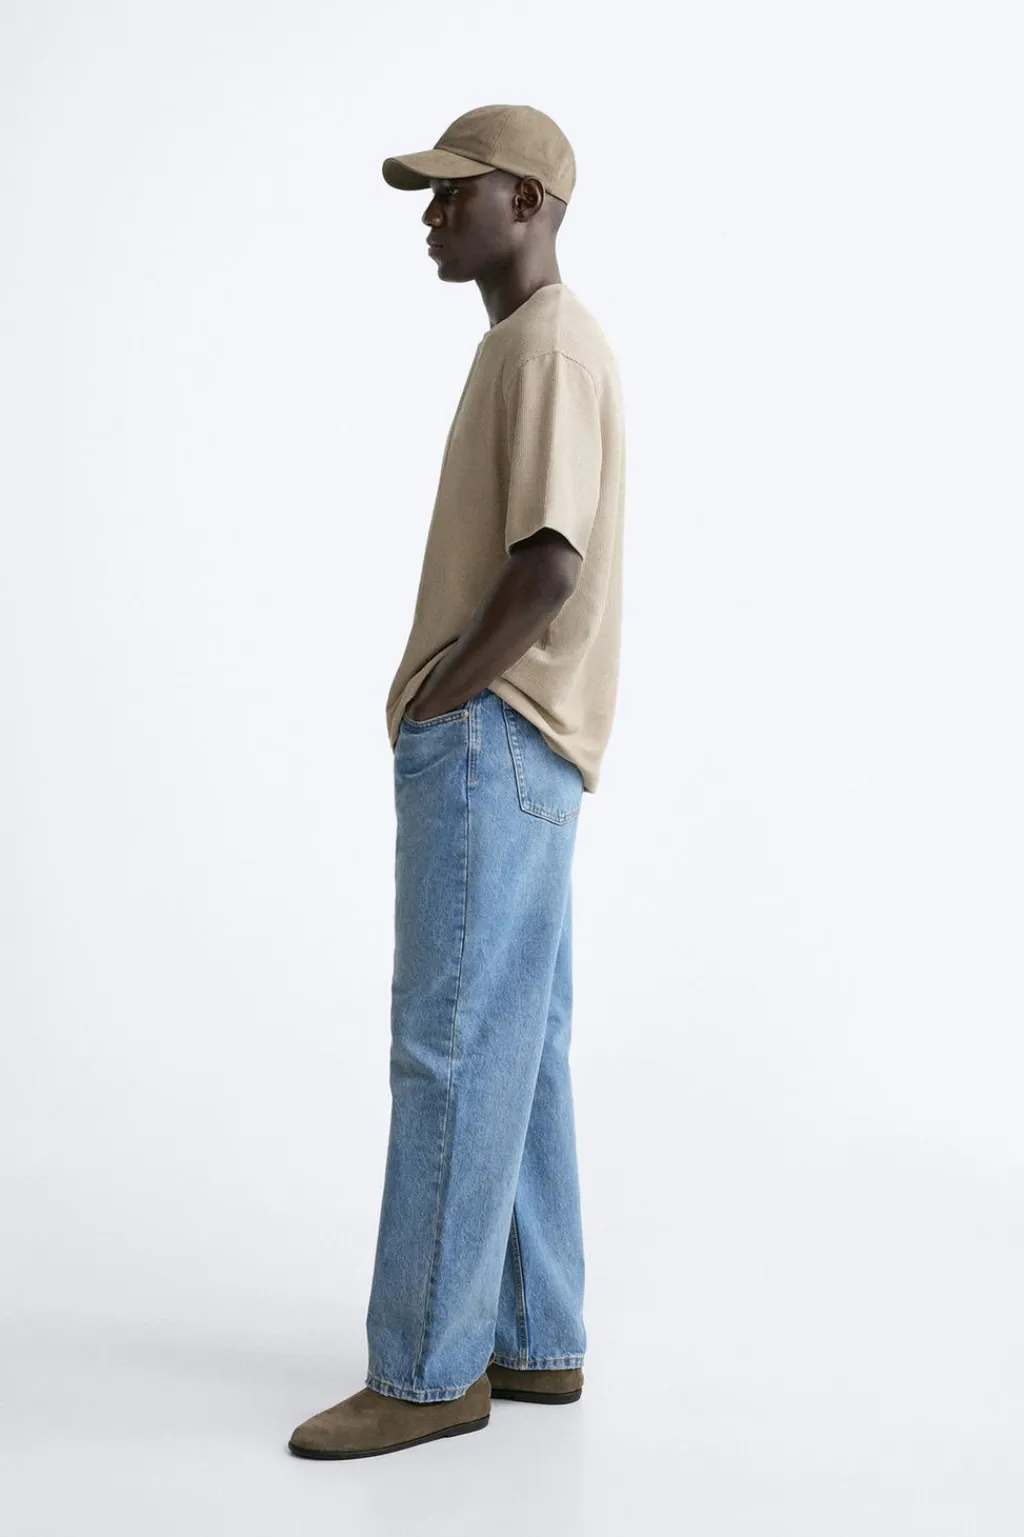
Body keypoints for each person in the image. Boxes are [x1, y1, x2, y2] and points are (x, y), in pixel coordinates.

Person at [288, 103, 626, 1460]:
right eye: (425, 197)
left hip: (496, 738)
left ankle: (428, 1371)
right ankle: (534, 1338)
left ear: (527, 202)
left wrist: (443, 691)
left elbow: (549, 563)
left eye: (454, 193)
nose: (431, 217)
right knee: (517, 1046)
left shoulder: (544, 346)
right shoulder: (535, 343)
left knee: (449, 1048)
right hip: (531, 746)